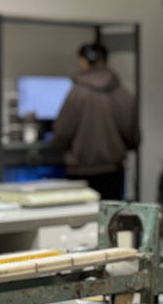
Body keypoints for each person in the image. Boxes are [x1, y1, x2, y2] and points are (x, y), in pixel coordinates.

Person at [51, 43, 139, 200]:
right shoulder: (122, 93)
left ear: (84, 61)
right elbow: (132, 137)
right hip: (113, 171)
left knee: (81, 221)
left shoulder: (77, 94)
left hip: (80, 172)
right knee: (110, 220)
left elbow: (62, 133)